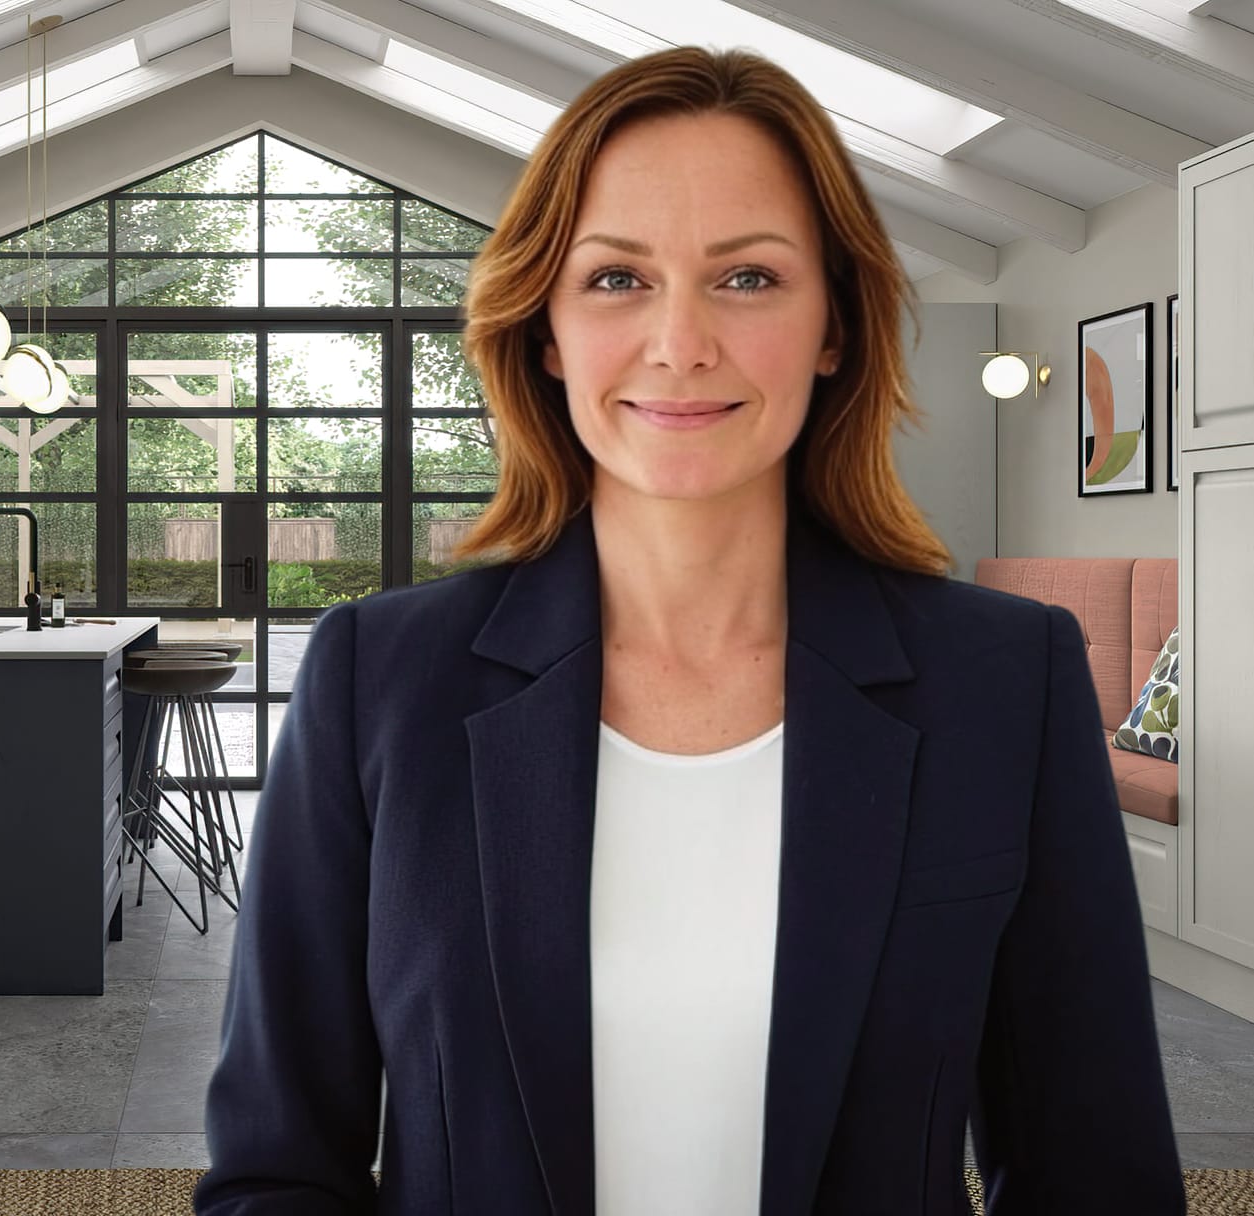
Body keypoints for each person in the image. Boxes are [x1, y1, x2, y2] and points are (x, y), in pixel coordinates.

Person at [192, 44, 1184, 1216]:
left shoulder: (1003, 680)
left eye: (748, 278)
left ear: (834, 326)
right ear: (547, 331)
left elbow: (1096, 1169)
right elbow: (277, 1167)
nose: (680, 342)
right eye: (617, 279)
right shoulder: (380, 679)